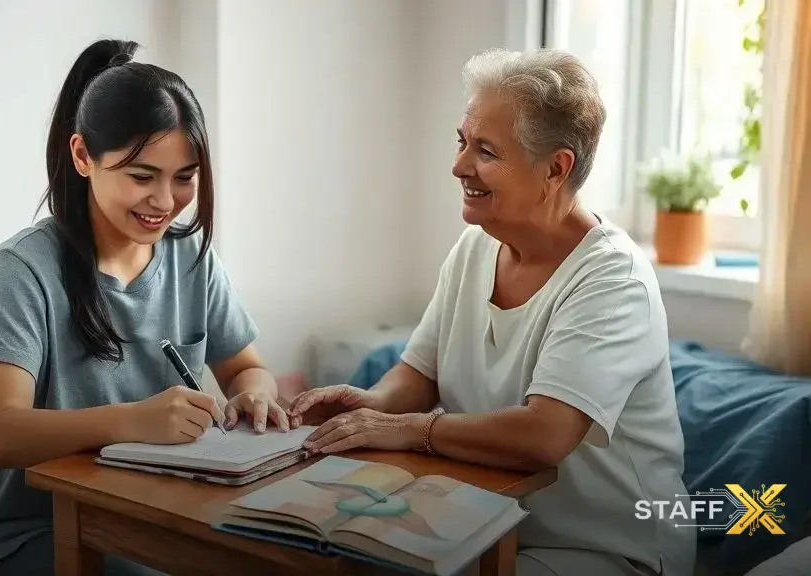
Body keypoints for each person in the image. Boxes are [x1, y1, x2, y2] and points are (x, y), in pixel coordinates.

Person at [289, 48, 696, 576]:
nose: (459, 166)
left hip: (610, 550)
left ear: (556, 167)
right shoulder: (475, 247)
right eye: (462, 141)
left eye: (485, 151)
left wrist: (407, 428)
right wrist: (370, 406)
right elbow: (419, 372)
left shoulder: (614, 280)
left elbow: (544, 436)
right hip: (493, 530)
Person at [0, 39, 290, 576]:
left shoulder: (191, 257)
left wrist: (254, 396)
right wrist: (136, 420)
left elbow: (248, 366)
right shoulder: (22, 268)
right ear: (84, 156)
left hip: (156, 515)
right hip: (36, 533)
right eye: (141, 176)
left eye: (185, 177)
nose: (164, 201)